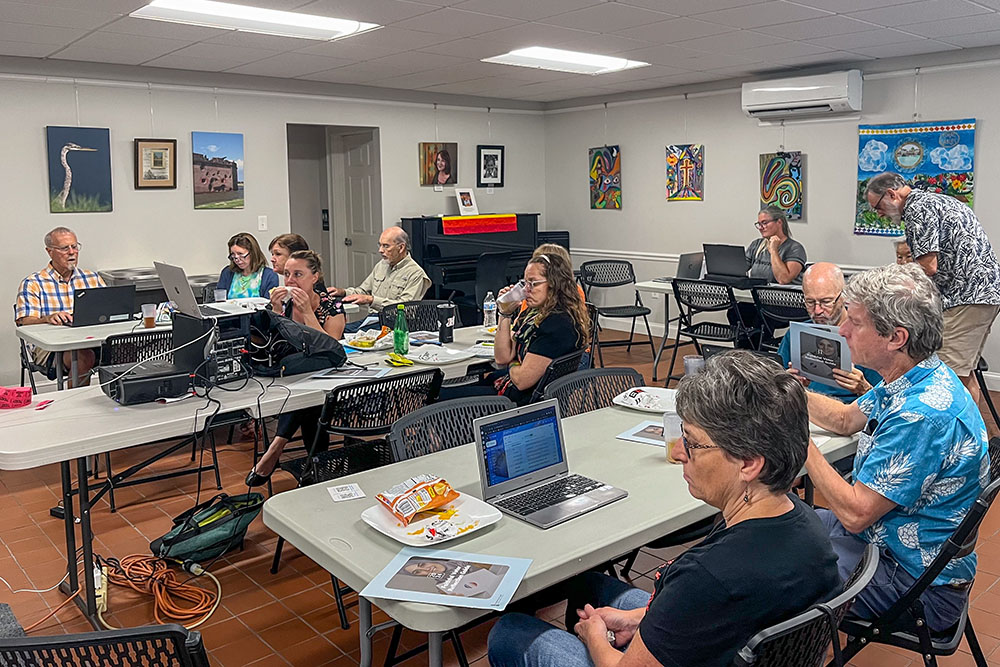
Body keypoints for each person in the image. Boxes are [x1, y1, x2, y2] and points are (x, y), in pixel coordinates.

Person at [488, 351, 841, 667]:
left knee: (510, 631)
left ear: (748, 463)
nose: (680, 453)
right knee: (589, 586)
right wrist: (638, 619)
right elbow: (717, 614)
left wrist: (595, 636)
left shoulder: (708, 576)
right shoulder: (809, 528)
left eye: (693, 443)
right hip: (731, 642)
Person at [802, 263, 987, 633]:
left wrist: (794, 437)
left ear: (895, 337)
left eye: (855, 322)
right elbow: (843, 420)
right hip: (891, 546)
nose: (842, 330)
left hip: (915, 584)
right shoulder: (917, 375)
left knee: (772, 569)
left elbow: (856, 514)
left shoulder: (921, 416)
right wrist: (785, 394)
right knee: (765, 521)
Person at [866, 172, 1000, 414]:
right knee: (963, 372)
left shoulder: (917, 209)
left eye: (878, 207)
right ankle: (972, 436)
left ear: (892, 194)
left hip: (967, 296)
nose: (879, 214)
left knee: (948, 376)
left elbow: (928, 266)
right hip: (981, 293)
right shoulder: (937, 201)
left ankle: (958, 442)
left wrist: (888, 280)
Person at [246, 252, 345, 486]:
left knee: (309, 400)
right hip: (297, 374)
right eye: (287, 274)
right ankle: (315, 470)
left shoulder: (332, 305)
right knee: (307, 400)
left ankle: (276, 447)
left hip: (330, 373)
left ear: (315, 277)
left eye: (298, 275)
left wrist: (308, 314)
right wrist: (277, 311)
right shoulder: (288, 304)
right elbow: (278, 344)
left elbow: (331, 348)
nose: (290, 281)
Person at [438, 252, 589, 406]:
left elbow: (521, 380)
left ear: (554, 284)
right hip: (510, 388)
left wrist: (514, 362)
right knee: (443, 391)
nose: (526, 290)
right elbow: (502, 357)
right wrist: (505, 313)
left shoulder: (557, 324)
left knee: (439, 398)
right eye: (525, 283)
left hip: (521, 403)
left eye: (533, 283)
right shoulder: (533, 313)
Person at [15, 227, 105, 386]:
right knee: (82, 356)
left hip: (91, 339)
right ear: (50, 252)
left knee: (127, 349)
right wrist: (47, 319)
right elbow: (24, 321)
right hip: (49, 347)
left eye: (75, 246)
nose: (72, 252)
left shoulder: (92, 278)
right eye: (65, 248)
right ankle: (76, 406)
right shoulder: (33, 283)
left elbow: (109, 309)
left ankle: (121, 400)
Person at [779, 262, 882, 402]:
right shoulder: (795, 335)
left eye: (826, 302)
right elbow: (775, 384)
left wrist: (863, 388)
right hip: (806, 407)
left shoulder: (867, 338)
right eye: (810, 302)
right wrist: (789, 383)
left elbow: (888, 402)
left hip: (850, 412)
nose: (817, 311)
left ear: (844, 297)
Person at [328, 226, 431, 333]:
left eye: (386, 246)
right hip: (373, 319)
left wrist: (371, 300)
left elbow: (406, 309)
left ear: (401, 248)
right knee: (334, 330)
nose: (380, 250)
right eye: (380, 245)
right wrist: (342, 292)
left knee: (339, 334)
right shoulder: (382, 265)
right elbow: (362, 291)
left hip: (395, 326)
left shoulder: (416, 273)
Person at [746, 205, 807, 285]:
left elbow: (783, 279)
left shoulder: (795, 248)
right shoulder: (756, 245)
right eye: (759, 224)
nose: (761, 228)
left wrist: (774, 251)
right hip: (757, 295)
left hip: (781, 296)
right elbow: (739, 270)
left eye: (764, 223)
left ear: (779, 222)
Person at [217, 232, 278, 299]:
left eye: (240, 254)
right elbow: (220, 300)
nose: (237, 260)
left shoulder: (269, 275)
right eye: (233, 255)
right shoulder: (227, 272)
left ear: (253, 253)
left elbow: (270, 305)